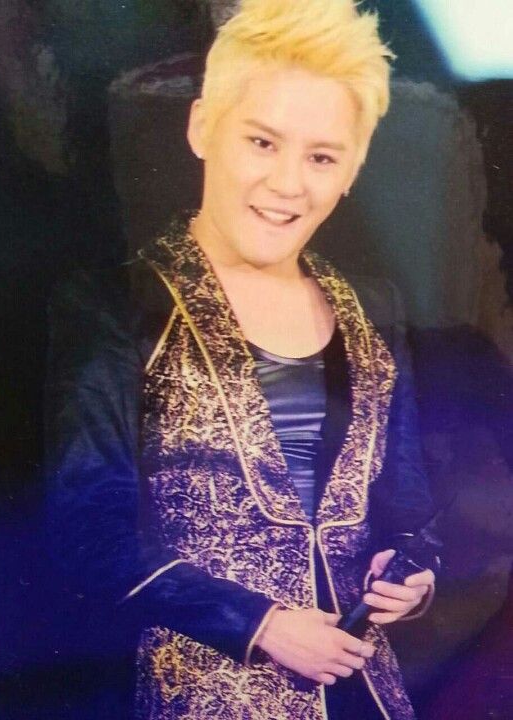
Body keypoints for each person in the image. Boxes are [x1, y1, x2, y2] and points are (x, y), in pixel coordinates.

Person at [45, 1, 437, 718]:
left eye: (322, 157)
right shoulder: (117, 303)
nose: (288, 183)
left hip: (366, 694)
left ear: (353, 169)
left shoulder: (375, 307)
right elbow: (88, 535)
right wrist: (261, 625)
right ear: (203, 127)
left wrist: (414, 575)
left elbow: (410, 511)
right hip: (193, 694)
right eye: (262, 142)